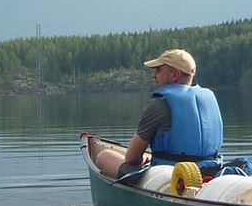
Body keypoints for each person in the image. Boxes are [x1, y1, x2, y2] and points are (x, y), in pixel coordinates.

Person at [95, 48, 223, 179]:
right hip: (210, 170)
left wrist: (141, 159)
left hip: (171, 175)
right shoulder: (210, 98)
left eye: (158, 70)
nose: (154, 75)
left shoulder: (159, 104)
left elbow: (131, 158)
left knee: (103, 157)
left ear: (174, 75)